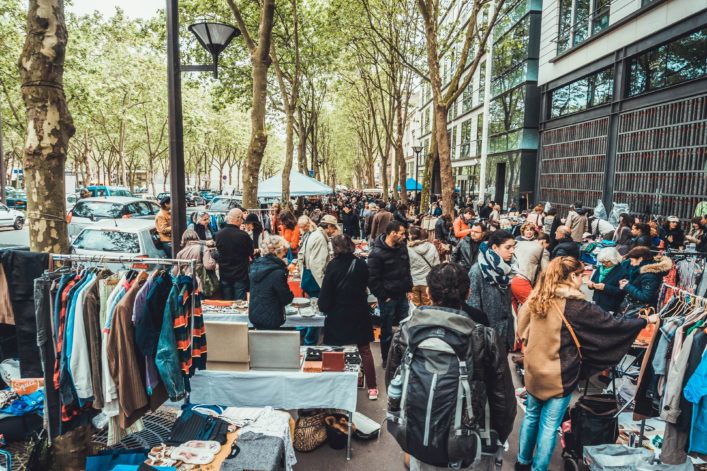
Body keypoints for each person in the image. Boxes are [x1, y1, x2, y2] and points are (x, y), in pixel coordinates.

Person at [516, 256, 657, 471]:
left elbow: (522, 329)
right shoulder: (575, 306)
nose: (583, 280)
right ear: (571, 276)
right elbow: (612, 325)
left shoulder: (537, 296)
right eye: (581, 275)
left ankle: (522, 462)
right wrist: (645, 321)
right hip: (559, 375)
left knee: (532, 416)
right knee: (549, 425)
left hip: (534, 369)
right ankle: (538, 469)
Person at [385, 262, 516, 471]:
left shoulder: (406, 331)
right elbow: (503, 397)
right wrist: (499, 434)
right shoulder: (483, 336)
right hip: (468, 438)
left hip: (419, 432)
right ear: (468, 293)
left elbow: (394, 381)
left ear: (428, 292)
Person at [317, 235, 378, 400]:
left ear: (335, 248)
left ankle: (334, 383)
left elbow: (326, 293)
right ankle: (372, 387)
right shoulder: (360, 264)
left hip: (338, 313)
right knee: (364, 349)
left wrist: (323, 306)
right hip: (359, 311)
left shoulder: (332, 266)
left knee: (334, 349)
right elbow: (368, 285)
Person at [367, 220, 413, 367]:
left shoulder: (402, 247)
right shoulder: (376, 253)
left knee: (405, 327)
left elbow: (407, 269)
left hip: (402, 295)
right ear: (392, 233)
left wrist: (409, 288)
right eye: (402, 233)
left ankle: (404, 356)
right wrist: (383, 296)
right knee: (386, 330)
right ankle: (386, 358)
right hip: (388, 298)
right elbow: (372, 279)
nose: (404, 236)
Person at [468, 230, 516, 351]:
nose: (512, 251)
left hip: (504, 335)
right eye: (508, 247)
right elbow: (473, 307)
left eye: (513, 247)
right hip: (486, 338)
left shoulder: (508, 269)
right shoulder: (477, 271)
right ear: (495, 247)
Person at [248, 236, 294, 330]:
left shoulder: (255, 265)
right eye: (284, 251)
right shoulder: (277, 272)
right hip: (271, 317)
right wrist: (291, 295)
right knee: (271, 342)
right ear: (277, 251)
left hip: (255, 314)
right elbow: (285, 298)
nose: (285, 254)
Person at [215, 208, 254, 300]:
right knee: (239, 305)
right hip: (240, 274)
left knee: (226, 304)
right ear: (239, 219)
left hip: (224, 273)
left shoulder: (218, 234)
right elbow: (250, 252)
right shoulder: (244, 235)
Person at [300, 214, 338, 298]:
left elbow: (302, 255)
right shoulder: (320, 238)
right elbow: (316, 265)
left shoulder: (315, 234)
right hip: (314, 281)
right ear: (328, 226)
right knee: (317, 308)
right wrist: (324, 287)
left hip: (309, 278)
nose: (334, 231)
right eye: (334, 228)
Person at [511, 232, 550, 307]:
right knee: (534, 307)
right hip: (523, 280)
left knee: (513, 310)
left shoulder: (520, 244)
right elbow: (546, 271)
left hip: (510, 278)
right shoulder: (543, 250)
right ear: (543, 241)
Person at [407, 225, 440, 306]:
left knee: (415, 305)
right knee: (428, 304)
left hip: (413, 281)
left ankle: (416, 318)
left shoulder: (408, 248)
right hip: (427, 282)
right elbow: (437, 264)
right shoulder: (432, 247)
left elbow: (406, 266)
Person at [587, 247, 627, 313]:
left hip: (610, 306)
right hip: (596, 302)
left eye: (606, 262)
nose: (604, 264)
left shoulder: (622, 272)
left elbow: (621, 292)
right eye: (602, 262)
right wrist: (590, 285)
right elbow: (593, 280)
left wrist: (605, 287)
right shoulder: (600, 268)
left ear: (614, 260)